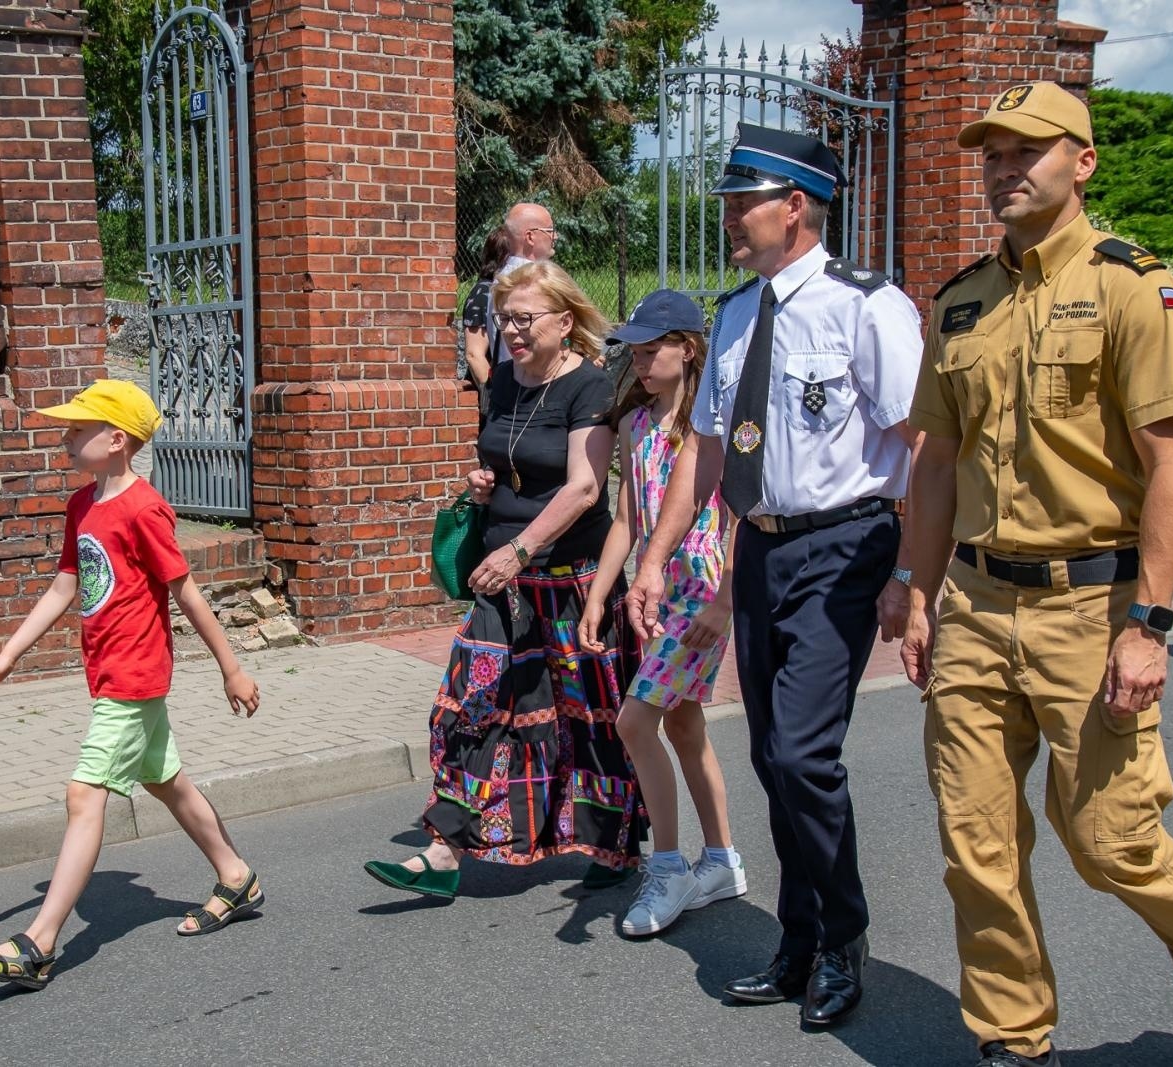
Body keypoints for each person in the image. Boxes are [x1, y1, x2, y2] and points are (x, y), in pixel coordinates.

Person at [900, 82, 1173, 1067]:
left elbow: (1171, 461)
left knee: (1106, 837)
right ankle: (1013, 1034)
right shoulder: (962, 298)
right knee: (977, 842)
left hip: (1090, 605)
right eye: (992, 153)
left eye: (1028, 150)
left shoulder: (1136, 286)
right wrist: (914, 589)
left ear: (1081, 161)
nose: (1004, 167)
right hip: (971, 602)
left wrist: (1150, 622)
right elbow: (934, 460)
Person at [625, 123, 922, 1027]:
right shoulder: (736, 314)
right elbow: (705, 457)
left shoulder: (868, 306)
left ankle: (843, 936)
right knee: (769, 754)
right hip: (757, 550)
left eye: (740, 201)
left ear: (795, 206)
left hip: (845, 547)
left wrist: (912, 572)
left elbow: (923, 445)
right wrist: (654, 552)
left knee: (801, 754)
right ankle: (798, 938)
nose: (727, 216)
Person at [0, 379, 263, 991]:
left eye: (78, 429)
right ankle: (236, 876)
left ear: (116, 439)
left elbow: (185, 590)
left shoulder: (144, 508)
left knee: (84, 794)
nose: (66, 438)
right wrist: (9, 656)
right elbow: (64, 587)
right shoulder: (82, 505)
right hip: (107, 669)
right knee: (163, 779)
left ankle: (38, 944)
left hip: (134, 673)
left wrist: (232, 665)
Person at [363, 261, 646, 899]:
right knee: (471, 704)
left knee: (588, 716)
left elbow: (583, 487)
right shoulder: (502, 384)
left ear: (565, 322)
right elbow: (504, 454)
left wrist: (521, 547)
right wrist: (484, 485)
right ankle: (443, 848)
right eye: (505, 320)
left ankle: (612, 840)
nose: (512, 332)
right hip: (503, 583)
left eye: (525, 320)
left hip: (573, 580)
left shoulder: (591, 388)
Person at [578, 289, 745, 938]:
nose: (641, 364)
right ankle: (724, 860)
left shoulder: (713, 429)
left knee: (633, 720)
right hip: (655, 594)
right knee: (683, 727)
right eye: (636, 353)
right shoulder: (634, 424)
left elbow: (736, 516)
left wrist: (727, 598)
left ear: (690, 349)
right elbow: (628, 517)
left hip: (701, 592)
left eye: (653, 351)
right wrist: (599, 592)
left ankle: (670, 865)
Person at [462, 204, 559, 386]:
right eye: (550, 230)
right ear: (530, 237)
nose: (555, 236)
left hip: (509, 382)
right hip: (532, 387)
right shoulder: (530, 282)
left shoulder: (500, 280)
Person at [462, 226, 516, 391]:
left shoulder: (505, 290)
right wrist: (497, 394)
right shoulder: (482, 294)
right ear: (504, 256)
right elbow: (474, 355)